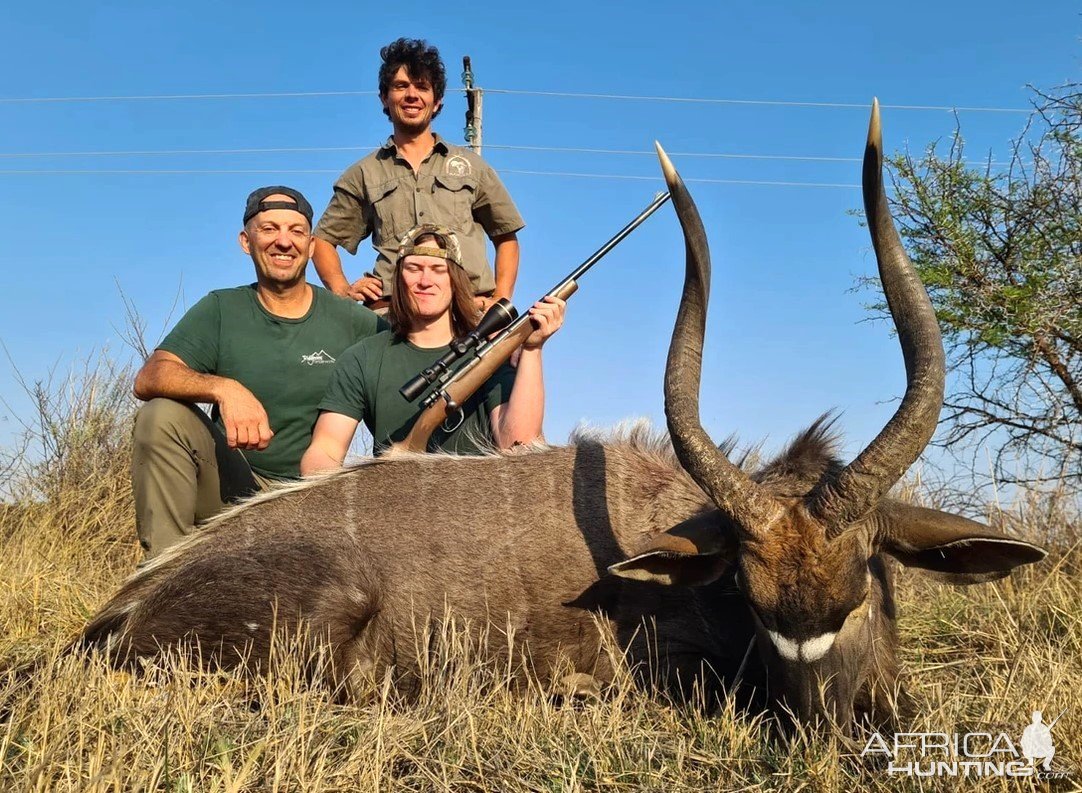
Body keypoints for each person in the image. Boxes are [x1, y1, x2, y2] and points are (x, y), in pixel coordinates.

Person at [131, 187, 385, 558]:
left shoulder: (353, 321)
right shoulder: (221, 308)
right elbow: (150, 376)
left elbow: (406, 364)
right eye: (268, 229)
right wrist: (225, 389)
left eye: (296, 231)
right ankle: (165, 579)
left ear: (312, 246)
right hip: (232, 490)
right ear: (245, 242)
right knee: (159, 416)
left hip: (312, 497)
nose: (284, 241)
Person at [301, 225, 563, 473]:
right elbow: (326, 448)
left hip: (482, 510)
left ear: (456, 280)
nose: (425, 280)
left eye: (439, 269)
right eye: (414, 268)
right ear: (398, 280)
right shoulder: (363, 357)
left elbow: (519, 446)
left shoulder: (490, 354)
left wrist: (532, 349)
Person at [312, 37, 524, 314]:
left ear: (436, 101)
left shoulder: (473, 166)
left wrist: (501, 298)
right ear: (385, 98)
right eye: (401, 86)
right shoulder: (363, 173)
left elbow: (505, 235)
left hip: (468, 313)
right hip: (392, 315)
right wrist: (342, 289)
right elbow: (323, 240)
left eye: (422, 87)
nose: (412, 95)